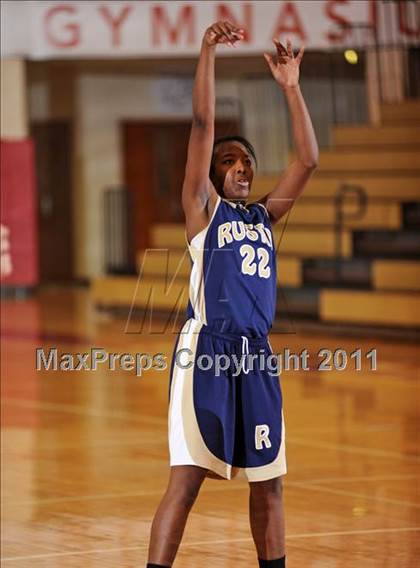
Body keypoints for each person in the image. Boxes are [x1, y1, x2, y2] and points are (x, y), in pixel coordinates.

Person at [147, 20, 318, 568]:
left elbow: (309, 160)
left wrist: (291, 88)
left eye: (247, 160)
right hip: (207, 352)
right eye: (229, 160)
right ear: (213, 176)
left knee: (269, 483)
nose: (241, 165)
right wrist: (207, 51)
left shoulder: (264, 217)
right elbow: (201, 124)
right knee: (187, 481)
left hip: (257, 355)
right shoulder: (204, 211)